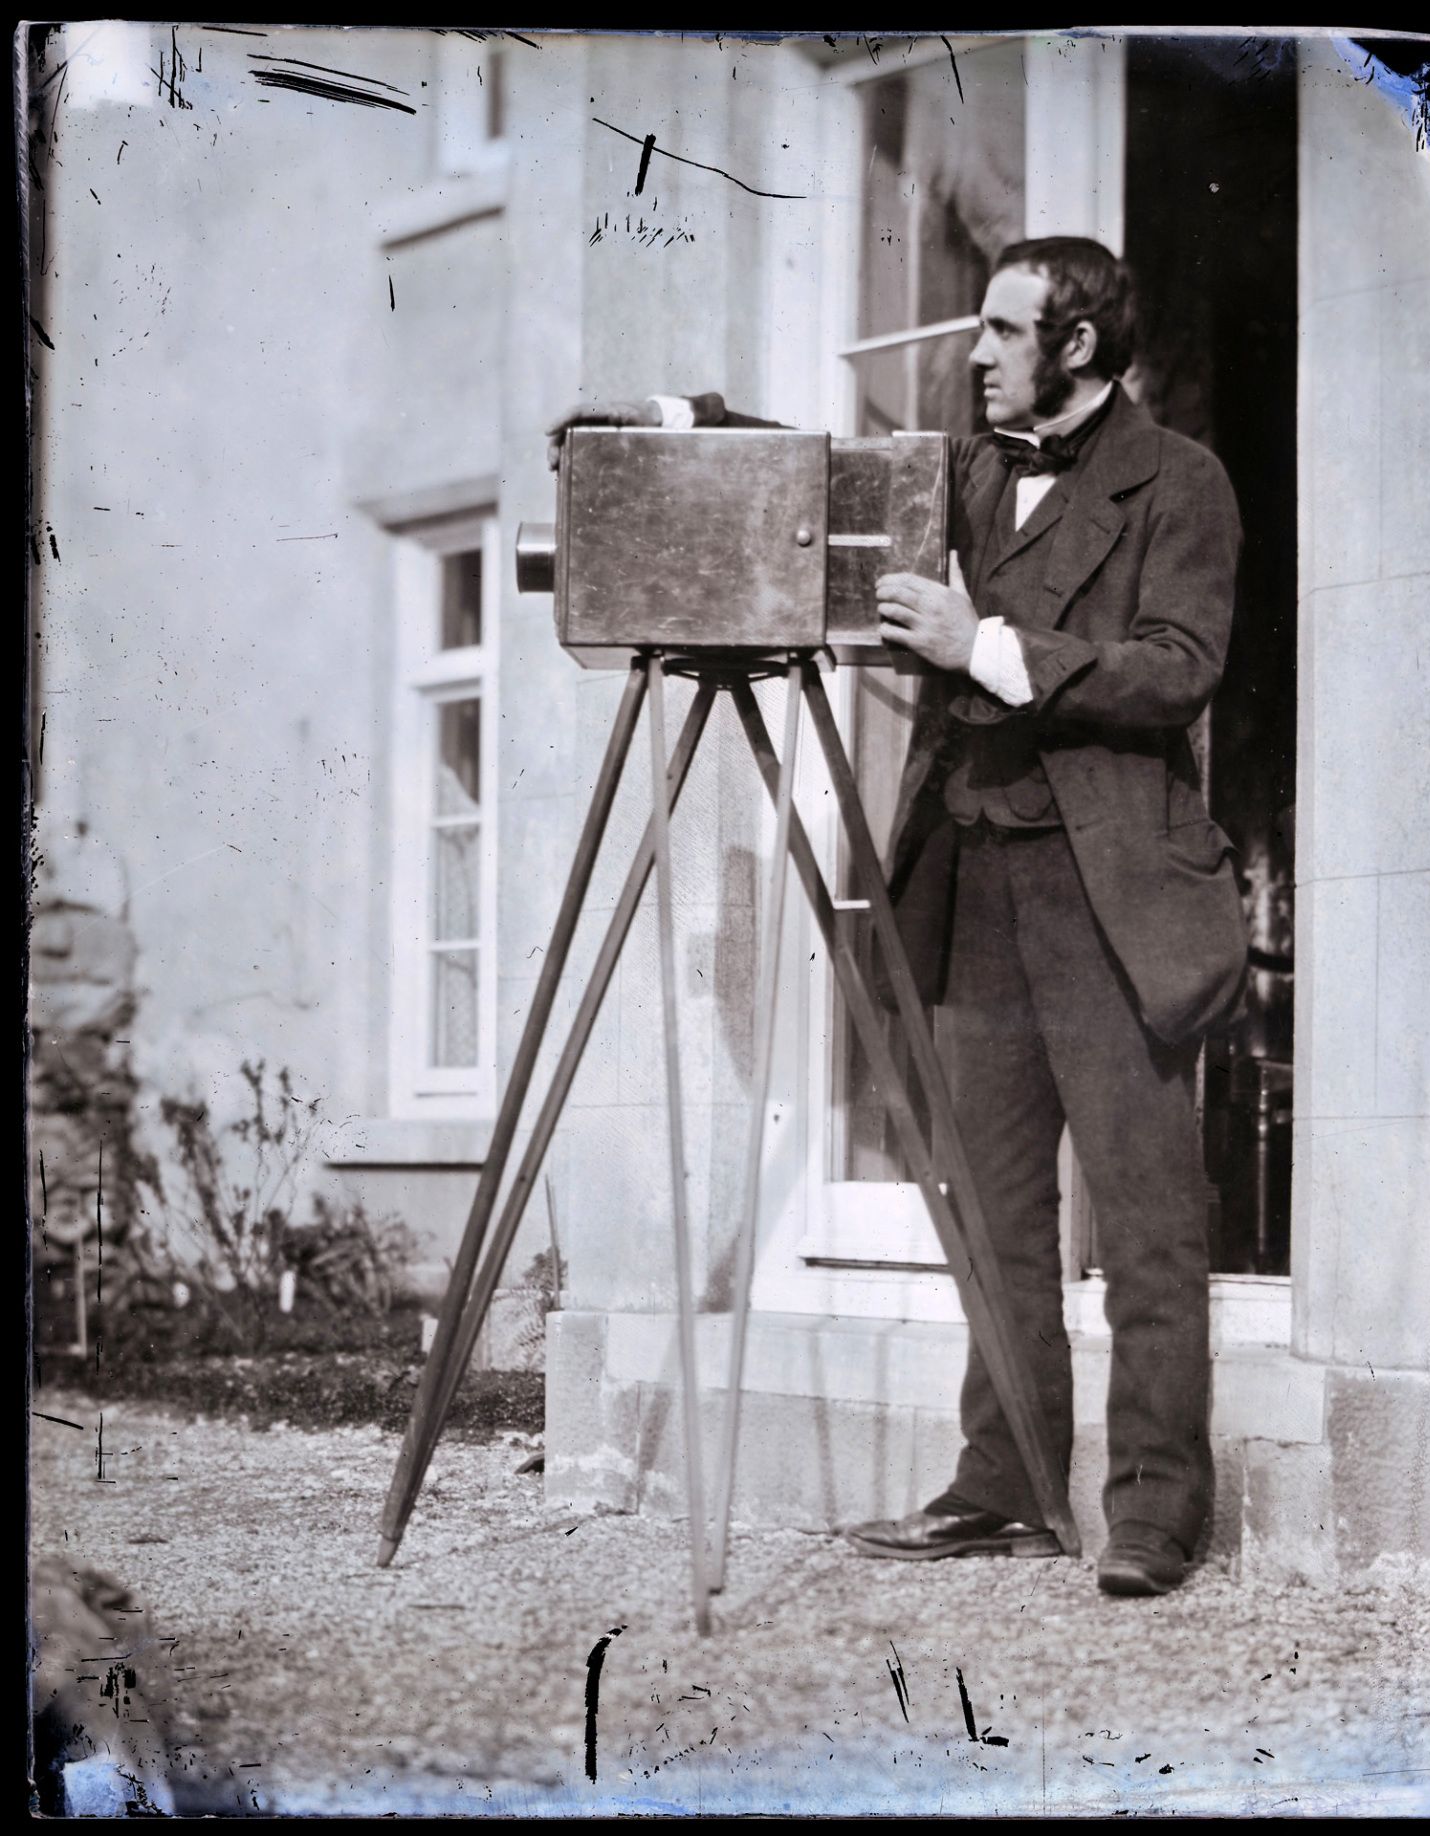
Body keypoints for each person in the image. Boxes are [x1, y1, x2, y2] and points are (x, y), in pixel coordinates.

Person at [546, 237, 1248, 1597]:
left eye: (1001, 329)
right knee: (988, 1217)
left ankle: (1156, 1513)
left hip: (1114, 904)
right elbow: (828, 490)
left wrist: (983, 647)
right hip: (971, 891)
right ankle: (1009, 1485)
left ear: (1079, 346)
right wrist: (697, 429)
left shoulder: (1183, 480)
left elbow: (1179, 673)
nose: (974, 352)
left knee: (1149, 1221)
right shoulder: (970, 466)